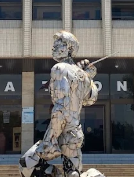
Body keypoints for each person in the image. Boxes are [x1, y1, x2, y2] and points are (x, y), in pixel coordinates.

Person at [19, 31, 104, 177]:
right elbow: (91, 99)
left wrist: (51, 138)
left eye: (59, 43)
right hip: (75, 132)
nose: (54, 46)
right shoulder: (82, 75)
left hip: (60, 129)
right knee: (73, 173)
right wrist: (88, 77)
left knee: (26, 164)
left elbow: (61, 107)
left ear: (69, 48)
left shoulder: (59, 68)